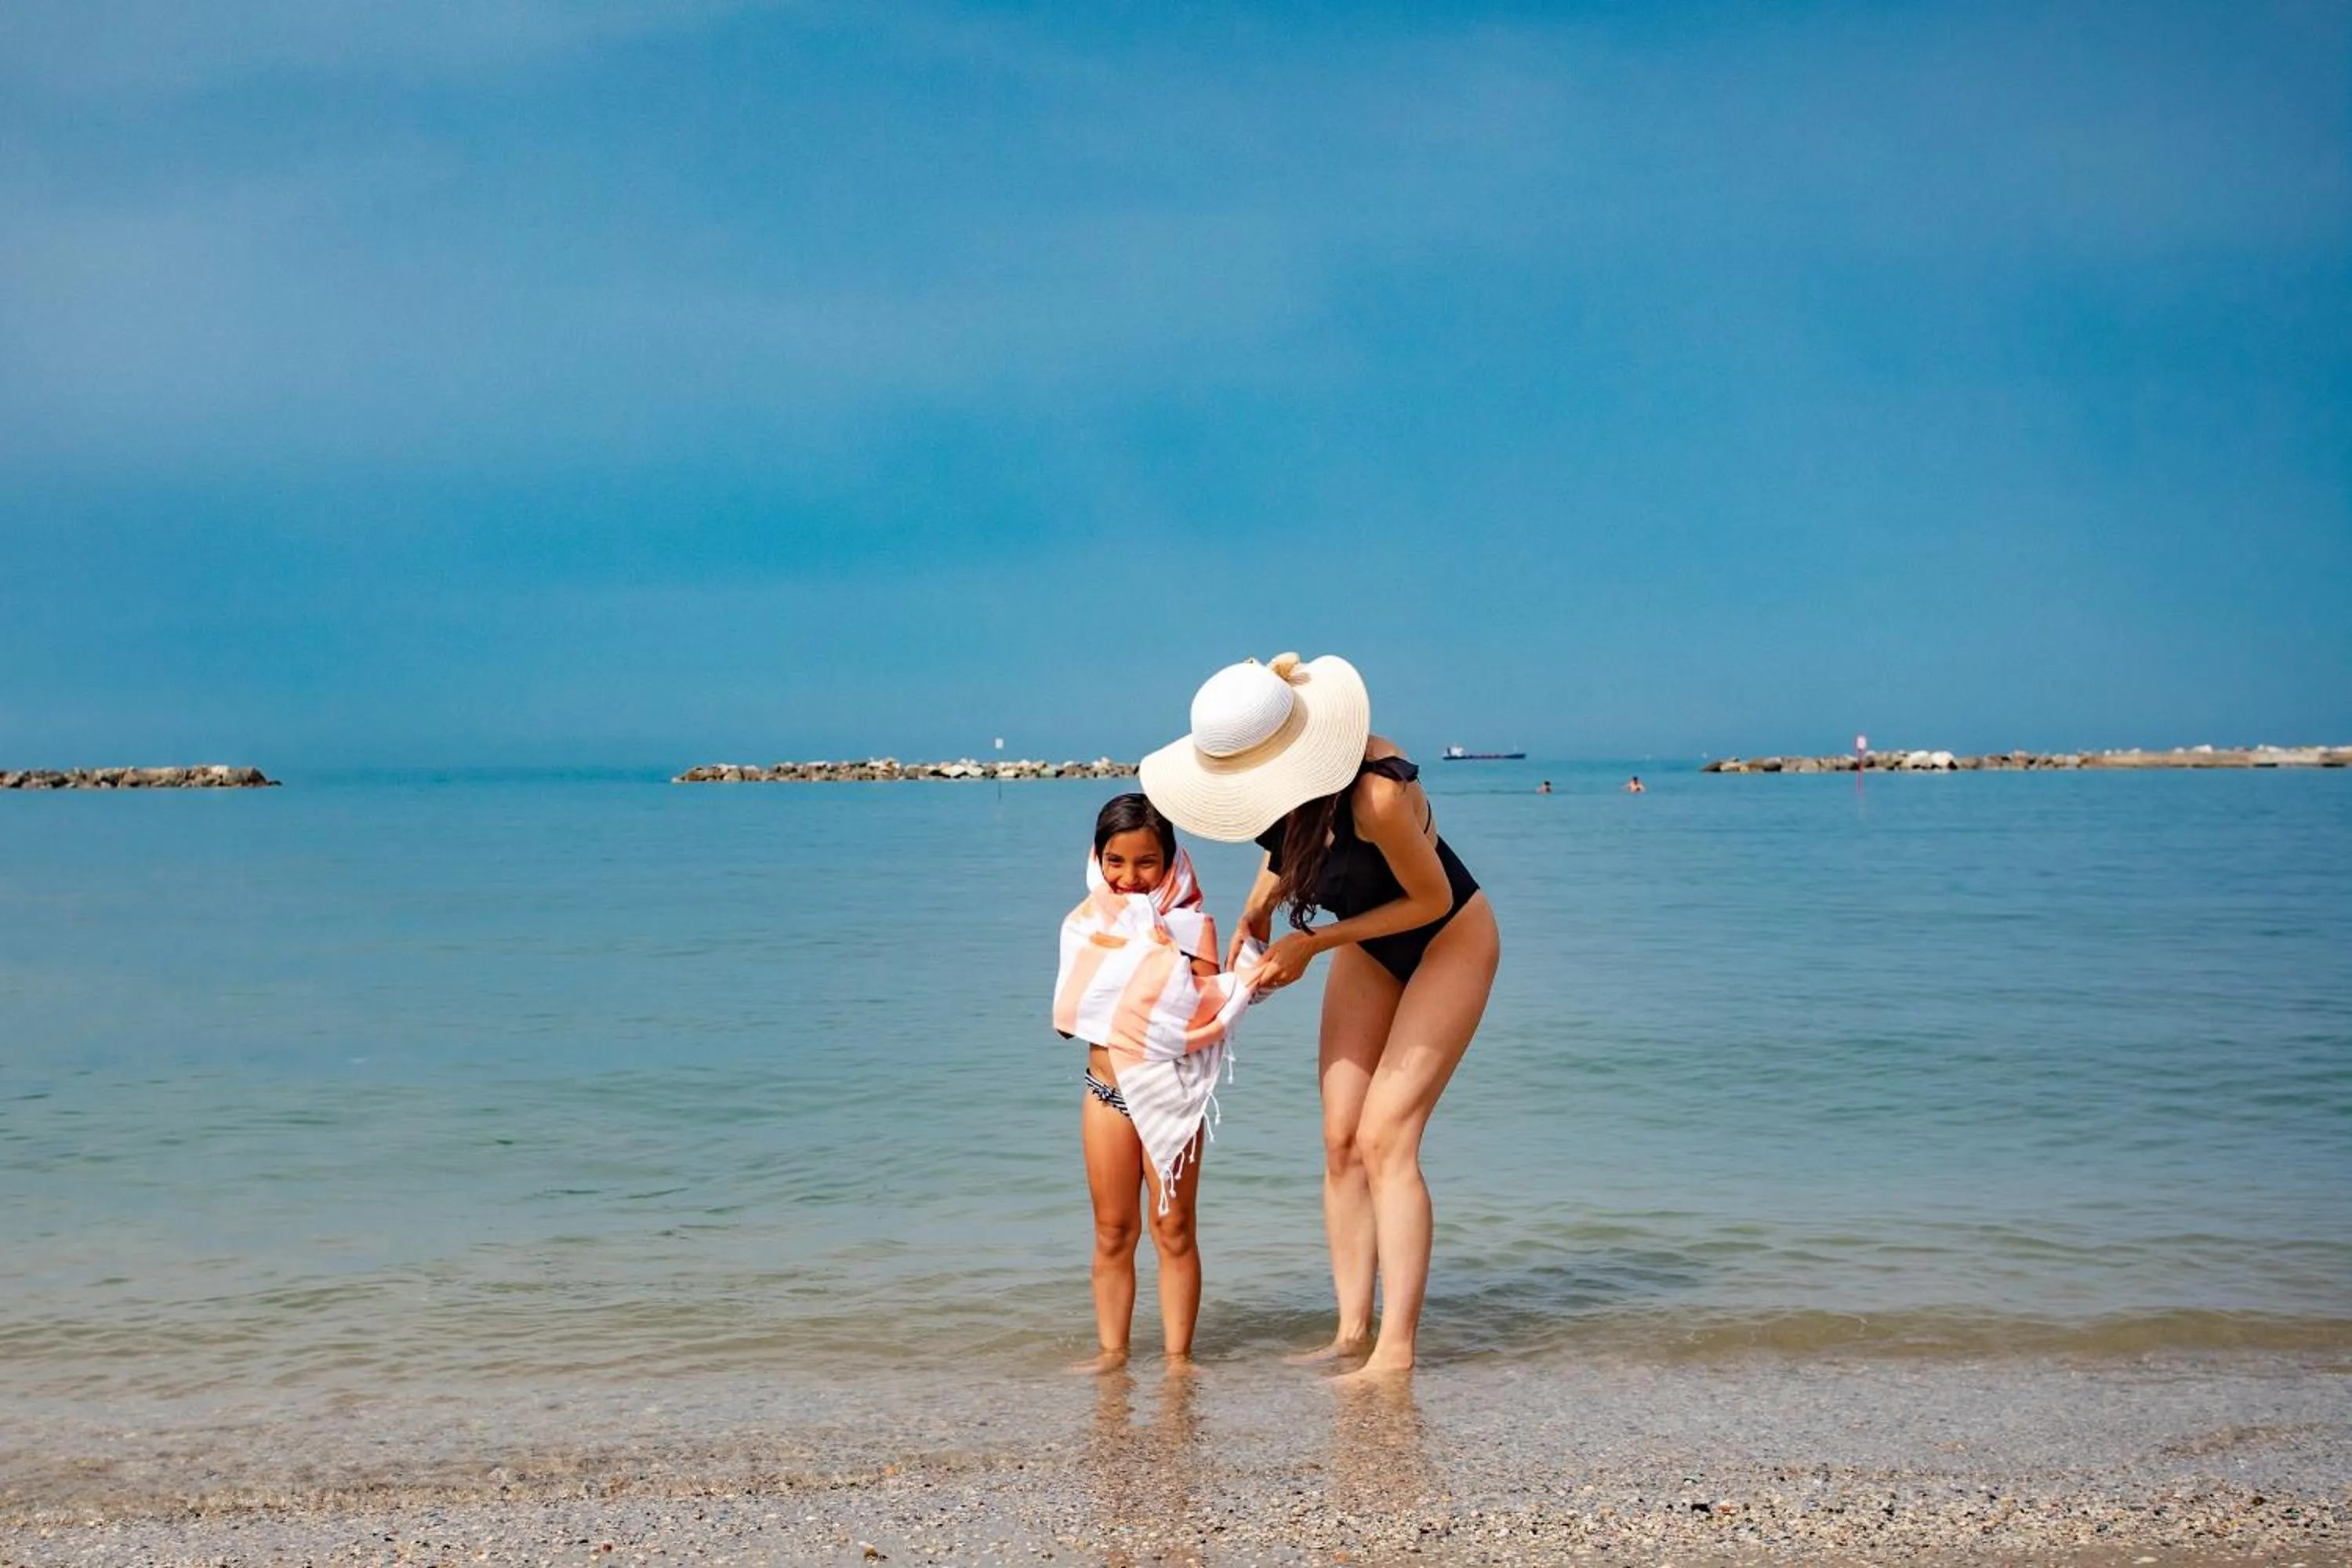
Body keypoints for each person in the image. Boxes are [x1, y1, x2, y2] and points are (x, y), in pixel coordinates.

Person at [1140, 653, 1499, 1380]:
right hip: (1369, 941)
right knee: (1340, 1139)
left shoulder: (1379, 795)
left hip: (1448, 941)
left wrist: (1315, 943)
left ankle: (1395, 1352)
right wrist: (1255, 913)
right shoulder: (1272, 794)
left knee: (1386, 1136)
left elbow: (1430, 901)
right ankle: (1349, 1333)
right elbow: (1285, 852)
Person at [1051, 793, 1254, 1376]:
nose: (1130, 878)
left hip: (1174, 1096)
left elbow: (1200, 1015)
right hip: (1107, 1094)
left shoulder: (1193, 927)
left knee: (1174, 1226)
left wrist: (1165, 954)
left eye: (1147, 863)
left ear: (1170, 862)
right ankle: (1112, 1356)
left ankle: (1177, 1362)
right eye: (1115, 861)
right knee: (1113, 1229)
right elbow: (1075, 1016)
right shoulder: (1085, 924)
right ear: (1098, 856)